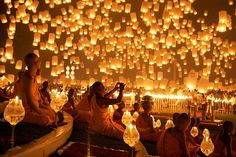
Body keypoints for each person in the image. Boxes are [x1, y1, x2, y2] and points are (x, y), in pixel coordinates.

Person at [18, 53, 56, 127]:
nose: (39, 63)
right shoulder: (28, 77)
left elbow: (37, 99)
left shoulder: (33, 77)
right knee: (46, 119)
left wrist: (45, 107)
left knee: (52, 114)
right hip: (25, 111)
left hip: (34, 107)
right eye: (37, 62)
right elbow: (29, 100)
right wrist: (40, 112)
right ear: (34, 64)